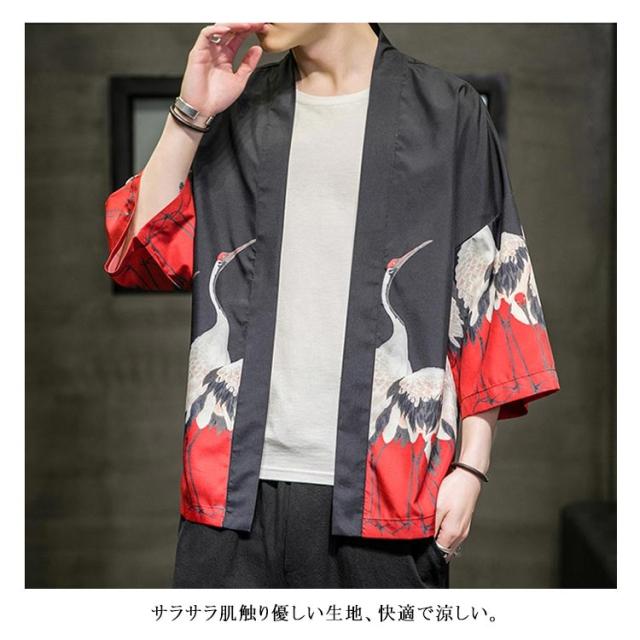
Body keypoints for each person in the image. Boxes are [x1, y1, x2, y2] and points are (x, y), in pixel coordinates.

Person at [103, 22, 560, 588]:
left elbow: (489, 296)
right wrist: (191, 111)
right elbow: (143, 248)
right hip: (232, 498)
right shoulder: (240, 107)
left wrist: (471, 467)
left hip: (388, 496)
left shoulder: (448, 110)